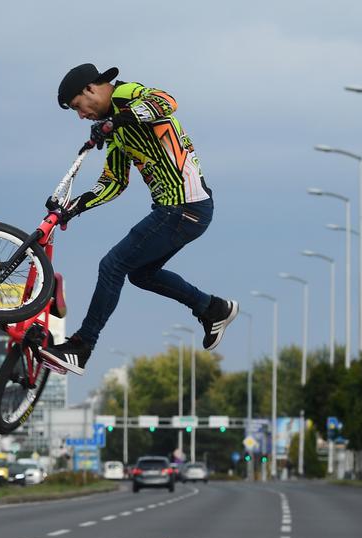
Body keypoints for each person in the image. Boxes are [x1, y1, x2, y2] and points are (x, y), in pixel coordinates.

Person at [39, 63, 237, 376]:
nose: (81, 116)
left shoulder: (127, 94)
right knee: (140, 274)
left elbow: (166, 101)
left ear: (91, 89)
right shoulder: (116, 134)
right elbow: (114, 182)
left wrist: (115, 121)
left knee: (112, 265)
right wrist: (73, 208)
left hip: (184, 206)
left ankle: (82, 346)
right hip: (180, 210)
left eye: (78, 106)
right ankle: (213, 308)